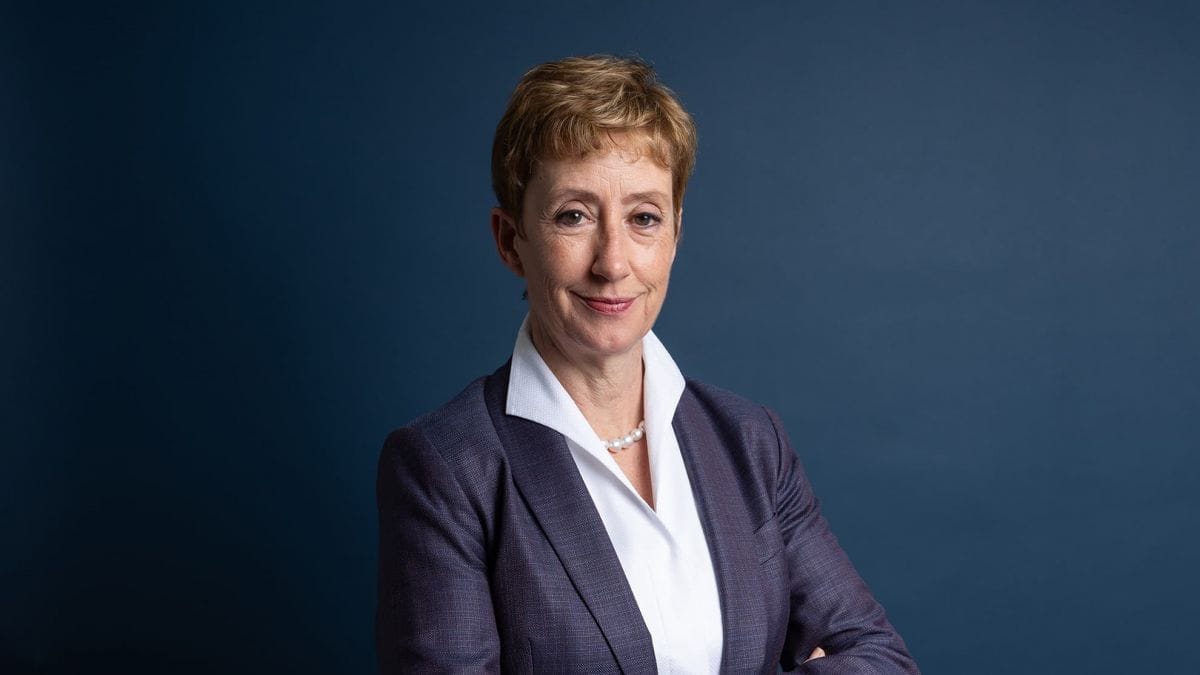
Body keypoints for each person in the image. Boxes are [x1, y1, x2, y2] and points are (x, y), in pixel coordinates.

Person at [376, 55, 918, 674]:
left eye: (643, 218)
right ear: (510, 240)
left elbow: (883, 661)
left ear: (675, 236)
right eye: (573, 215)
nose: (613, 262)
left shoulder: (750, 442)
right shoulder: (448, 468)